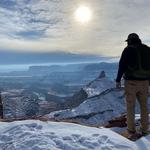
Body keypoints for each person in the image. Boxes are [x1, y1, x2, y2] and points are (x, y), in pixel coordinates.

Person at [116, 33, 150, 139]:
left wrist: (118, 80)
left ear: (129, 41)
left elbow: (122, 65)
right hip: (145, 82)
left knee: (130, 107)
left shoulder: (128, 50)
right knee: (144, 107)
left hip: (131, 83)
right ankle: (145, 130)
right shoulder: (147, 50)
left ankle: (131, 130)